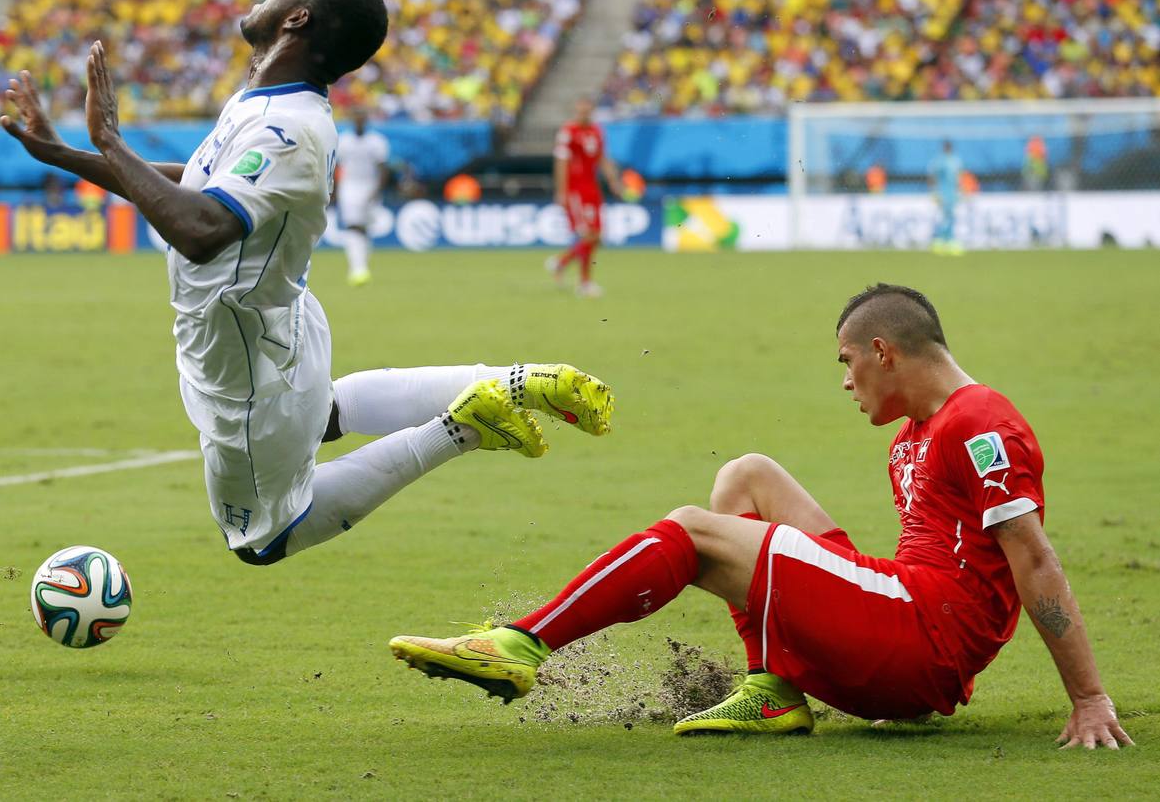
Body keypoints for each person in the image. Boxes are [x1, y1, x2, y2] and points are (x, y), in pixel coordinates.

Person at [0, 0, 614, 565]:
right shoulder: (266, 101)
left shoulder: (288, 129)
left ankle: (462, 429)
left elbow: (200, 231)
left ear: (296, 18)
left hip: (240, 355)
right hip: (276, 317)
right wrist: (64, 155)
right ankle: (514, 381)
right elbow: (195, 186)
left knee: (262, 541)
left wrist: (110, 140)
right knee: (320, 415)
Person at [391, 284, 1132, 751]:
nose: (846, 382)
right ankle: (773, 688)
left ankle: (520, 644)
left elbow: (1033, 558)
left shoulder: (979, 424)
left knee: (692, 529)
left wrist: (1089, 698)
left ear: (882, 351)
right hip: (906, 625)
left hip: (920, 641)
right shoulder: (915, 434)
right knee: (746, 475)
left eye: (847, 362)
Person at [547, 97, 624, 298]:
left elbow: (602, 158)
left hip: (592, 189)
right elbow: (561, 163)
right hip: (576, 190)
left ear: (591, 111)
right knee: (589, 235)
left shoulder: (597, 131)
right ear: (576, 111)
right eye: (580, 111)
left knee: (597, 236)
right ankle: (584, 283)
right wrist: (561, 191)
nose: (584, 114)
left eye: (587, 110)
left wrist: (613, 180)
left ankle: (562, 263)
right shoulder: (568, 132)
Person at [333, 110, 390, 286]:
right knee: (353, 225)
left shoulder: (376, 141)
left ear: (366, 120)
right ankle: (357, 268)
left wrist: (377, 190)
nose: (359, 121)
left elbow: (383, 168)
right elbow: (336, 166)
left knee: (364, 228)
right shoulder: (344, 140)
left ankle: (361, 265)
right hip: (349, 186)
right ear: (352, 120)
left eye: (361, 118)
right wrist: (334, 190)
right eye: (356, 118)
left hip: (369, 186)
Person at [927, 140, 964, 256]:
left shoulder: (956, 160)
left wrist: (960, 190)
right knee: (944, 217)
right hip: (943, 192)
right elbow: (932, 176)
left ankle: (948, 240)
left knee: (950, 216)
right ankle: (940, 241)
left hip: (953, 193)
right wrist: (934, 191)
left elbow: (959, 177)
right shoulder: (939, 161)